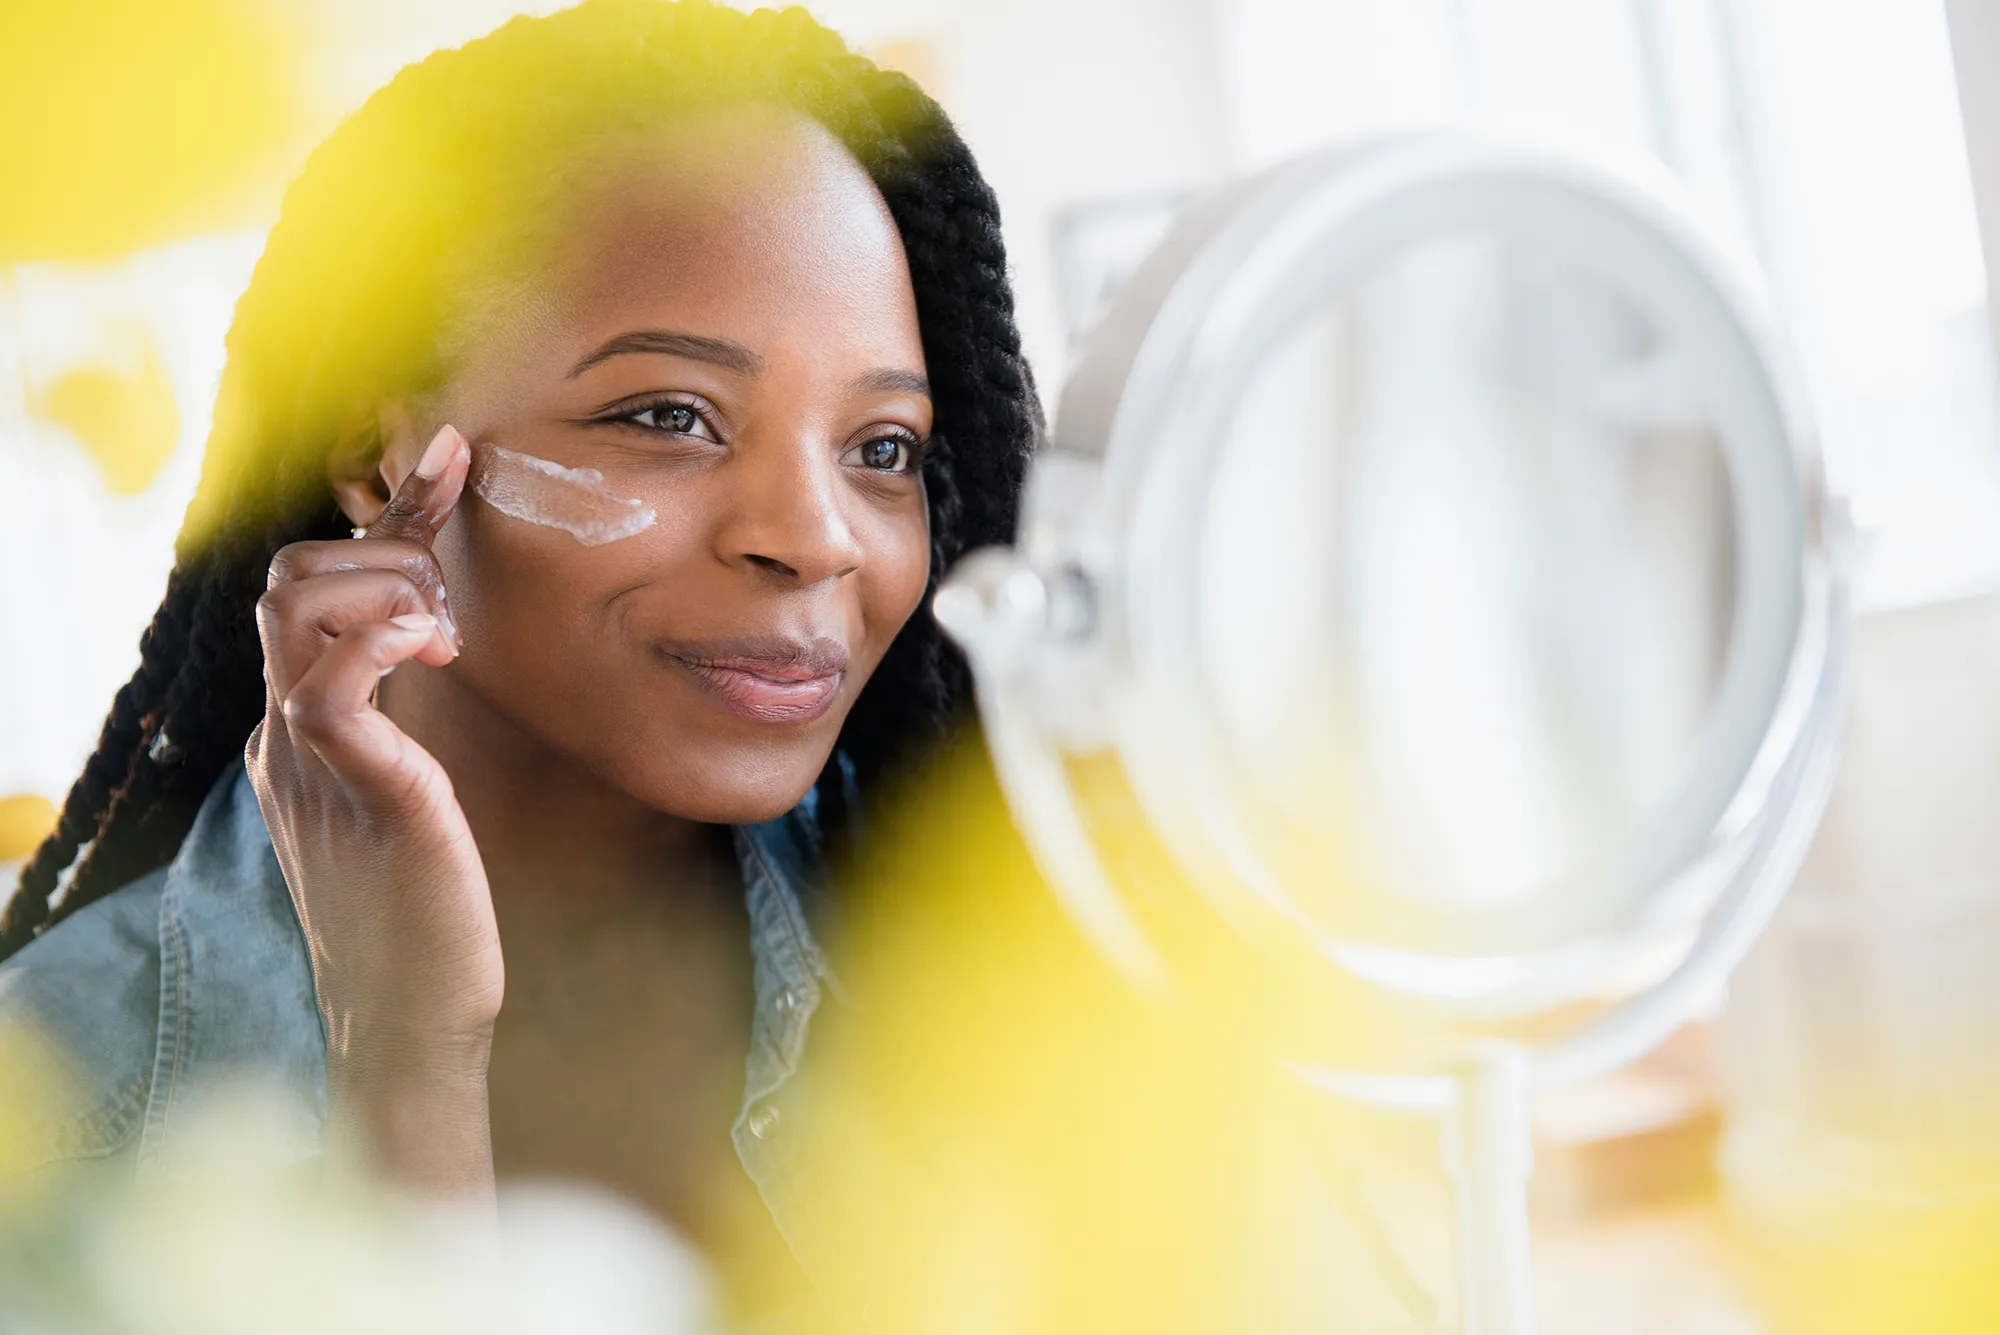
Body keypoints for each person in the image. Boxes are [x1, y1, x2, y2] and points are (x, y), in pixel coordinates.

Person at [0, 0, 1035, 1309]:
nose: (815, 538)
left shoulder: (1013, 952)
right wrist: (407, 1062)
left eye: (882, 447)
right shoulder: (44, 1110)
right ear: (386, 451)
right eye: (672, 415)